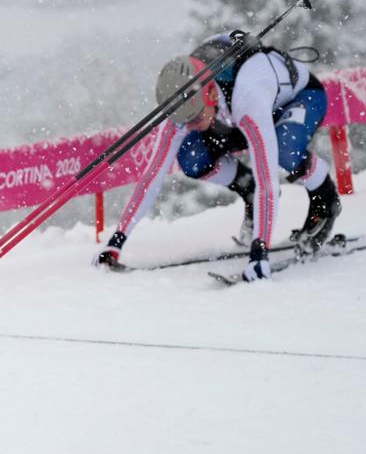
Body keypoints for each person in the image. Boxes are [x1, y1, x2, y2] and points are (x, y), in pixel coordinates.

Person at [94, 31, 342, 280]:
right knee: (192, 157)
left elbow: (268, 180)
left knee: (283, 149)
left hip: (298, 99)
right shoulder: (184, 98)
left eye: (194, 119)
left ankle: (325, 199)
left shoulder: (249, 96)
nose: (188, 126)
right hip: (227, 114)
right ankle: (248, 189)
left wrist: (259, 254)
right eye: (184, 121)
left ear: (211, 95)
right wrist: (117, 241)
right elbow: (153, 175)